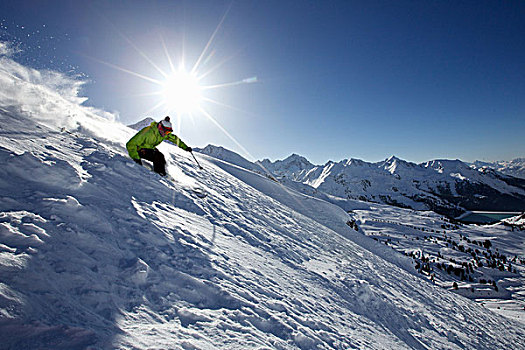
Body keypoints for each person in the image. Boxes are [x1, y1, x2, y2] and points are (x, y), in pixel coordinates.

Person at [126, 116, 192, 176]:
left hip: (150, 149)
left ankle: (161, 173)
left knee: (161, 156)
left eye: (167, 132)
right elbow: (131, 144)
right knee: (158, 156)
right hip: (139, 150)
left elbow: (175, 139)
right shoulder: (147, 131)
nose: (165, 134)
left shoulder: (164, 133)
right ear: (160, 127)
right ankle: (159, 175)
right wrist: (136, 158)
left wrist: (185, 147)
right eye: (164, 131)